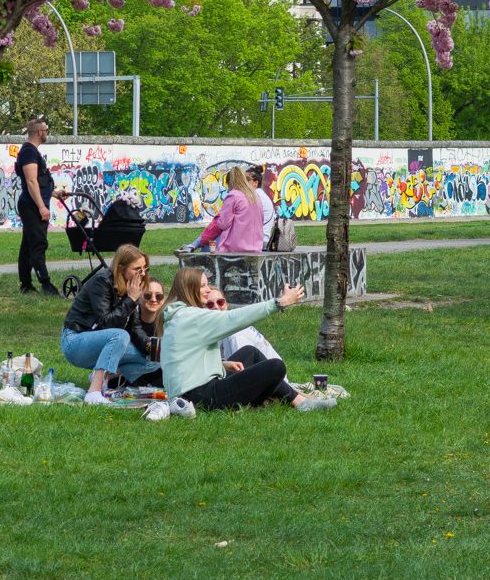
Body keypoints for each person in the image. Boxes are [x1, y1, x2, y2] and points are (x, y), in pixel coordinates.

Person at [161, 265, 322, 411]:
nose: (208, 290)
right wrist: (279, 302)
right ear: (189, 288)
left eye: (207, 285)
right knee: (275, 367)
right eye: (202, 286)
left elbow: (184, 361)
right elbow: (234, 318)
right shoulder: (192, 317)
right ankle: (268, 403)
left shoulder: (180, 316)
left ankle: (298, 401)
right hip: (201, 397)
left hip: (191, 393)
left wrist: (221, 364)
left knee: (250, 353)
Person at [61, 244, 162, 404]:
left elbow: (135, 329)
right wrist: (131, 300)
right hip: (75, 341)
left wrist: (152, 347)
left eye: (145, 268)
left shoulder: (132, 287)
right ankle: (93, 392)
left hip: (104, 344)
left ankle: (108, 377)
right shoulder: (102, 282)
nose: (142, 274)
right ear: (122, 268)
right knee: (120, 335)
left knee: (154, 358)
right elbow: (105, 324)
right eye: (137, 269)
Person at [15, 117, 65, 296]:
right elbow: (31, 181)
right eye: (46, 130)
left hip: (33, 204)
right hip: (32, 206)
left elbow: (39, 182)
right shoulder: (29, 152)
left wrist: (53, 193)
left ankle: (26, 285)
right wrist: (42, 207)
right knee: (38, 244)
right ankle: (46, 284)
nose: (47, 133)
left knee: (28, 245)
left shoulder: (31, 151)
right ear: (39, 132)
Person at [193, 166, 265, 254]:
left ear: (229, 182)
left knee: (207, 248)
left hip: (235, 247)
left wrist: (219, 219)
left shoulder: (233, 196)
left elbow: (223, 224)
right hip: (256, 246)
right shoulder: (255, 196)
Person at [250, 165, 292, 250]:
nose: (243, 183)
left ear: (255, 183)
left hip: (259, 241)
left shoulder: (255, 196)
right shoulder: (260, 194)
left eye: (246, 180)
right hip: (264, 239)